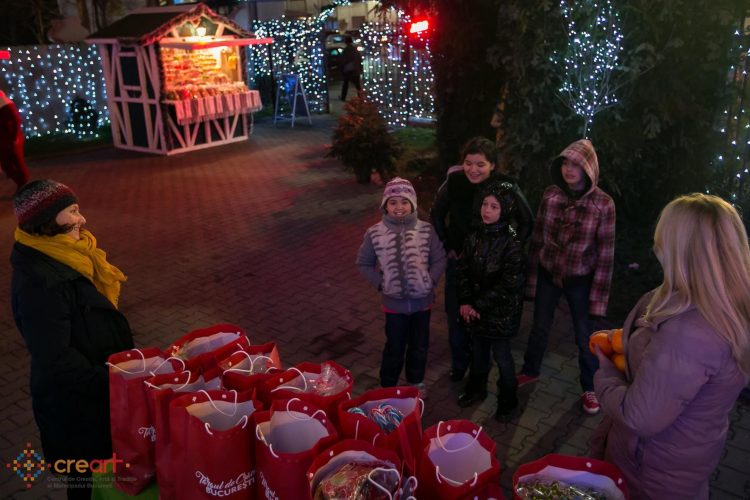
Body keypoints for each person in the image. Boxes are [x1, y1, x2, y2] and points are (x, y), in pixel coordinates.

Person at [592, 193, 750, 499]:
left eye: (663, 238)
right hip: (680, 461)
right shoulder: (723, 305)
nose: (656, 246)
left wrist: (605, 370)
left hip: (649, 473)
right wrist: (628, 341)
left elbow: (639, 416)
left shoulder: (691, 333)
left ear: (683, 251)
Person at [10, 180, 133, 500]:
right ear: (47, 219)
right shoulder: (41, 283)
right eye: (73, 211)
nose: (82, 219)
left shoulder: (69, 256)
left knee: (104, 480)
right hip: (78, 408)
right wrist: (113, 382)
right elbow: (56, 359)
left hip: (92, 398)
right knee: (86, 486)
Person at [517, 138, 615, 415]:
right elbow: (537, 238)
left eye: (576, 164)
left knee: (585, 336)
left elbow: (606, 255)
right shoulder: (551, 195)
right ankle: (530, 369)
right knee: (539, 326)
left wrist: (598, 302)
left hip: (580, 281)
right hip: (548, 274)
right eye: (565, 163)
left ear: (588, 168)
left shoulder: (603, 204)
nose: (569, 170)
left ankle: (590, 387)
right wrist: (532, 281)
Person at [430, 136, 533, 382]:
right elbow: (436, 213)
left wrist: (508, 249)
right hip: (460, 261)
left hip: (492, 268)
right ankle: (459, 364)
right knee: (456, 314)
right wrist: (447, 244)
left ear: (492, 165)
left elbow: (526, 221)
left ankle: (481, 367)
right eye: (468, 163)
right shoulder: (455, 182)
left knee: (485, 316)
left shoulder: (505, 185)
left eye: (480, 164)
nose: (473, 170)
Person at [356, 177, 446, 398]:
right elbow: (363, 263)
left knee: (419, 346)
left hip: (422, 304)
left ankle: (416, 382)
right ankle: (388, 385)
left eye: (405, 201)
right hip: (393, 306)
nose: (399, 207)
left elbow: (439, 258)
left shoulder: (426, 231)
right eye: (393, 202)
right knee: (394, 346)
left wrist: (430, 280)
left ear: (413, 204)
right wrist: (381, 282)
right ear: (385, 205)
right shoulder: (375, 233)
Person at [455, 181, 525, 421]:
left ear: (505, 210)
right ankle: (476, 389)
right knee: (479, 353)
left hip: (501, 313)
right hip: (477, 309)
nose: (487, 210)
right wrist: (466, 300)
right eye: (485, 204)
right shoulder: (474, 236)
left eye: (494, 206)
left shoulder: (512, 242)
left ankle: (508, 399)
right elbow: (462, 270)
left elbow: (509, 284)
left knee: (503, 358)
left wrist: (478, 305)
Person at [0, 90, 30, 189]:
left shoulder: (4, 103)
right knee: (6, 165)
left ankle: (23, 186)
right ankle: (22, 185)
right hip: (5, 139)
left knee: (18, 163)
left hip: (11, 138)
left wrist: (14, 137)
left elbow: (16, 119)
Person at [339, 35, 363, 101]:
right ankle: (361, 97)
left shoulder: (345, 50)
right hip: (355, 69)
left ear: (346, 42)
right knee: (357, 85)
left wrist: (342, 69)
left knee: (345, 84)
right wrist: (360, 68)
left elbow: (343, 60)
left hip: (348, 70)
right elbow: (359, 59)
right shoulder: (355, 50)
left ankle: (343, 97)